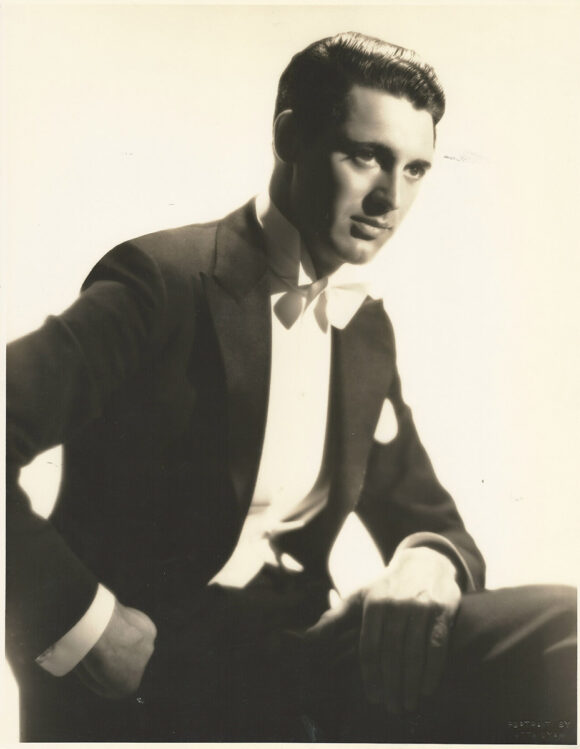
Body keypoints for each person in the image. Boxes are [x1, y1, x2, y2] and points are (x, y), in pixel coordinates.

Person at [6, 31, 576, 743]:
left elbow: (426, 513)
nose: (390, 198)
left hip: (307, 653)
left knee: (567, 635)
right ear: (291, 136)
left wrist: (428, 561)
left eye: (417, 169)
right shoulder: (161, 283)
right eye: (366, 155)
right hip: (157, 678)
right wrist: (82, 622)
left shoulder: (364, 329)